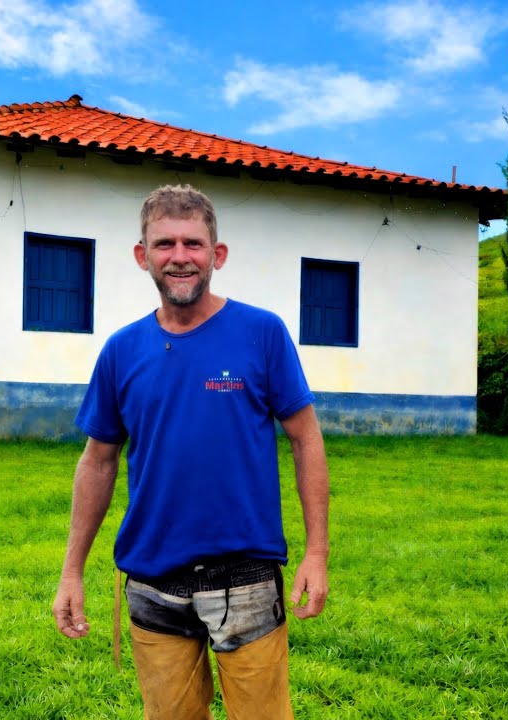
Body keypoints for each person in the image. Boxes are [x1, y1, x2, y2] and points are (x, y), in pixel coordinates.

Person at [52, 184, 330, 719]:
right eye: (164, 244)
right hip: (154, 584)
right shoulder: (121, 351)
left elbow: (305, 438)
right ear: (142, 256)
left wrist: (316, 553)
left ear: (216, 255)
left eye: (193, 244)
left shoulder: (262, 334)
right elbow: (98, 460)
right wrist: (71, 571)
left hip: (247, 580)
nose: (180, 257)